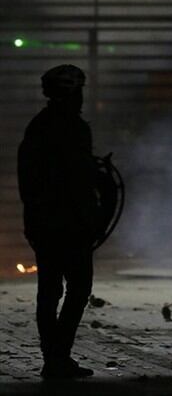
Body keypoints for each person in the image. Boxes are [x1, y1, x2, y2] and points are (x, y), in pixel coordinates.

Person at [17, 64, 99, 379]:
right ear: (71, 93)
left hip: (45, 224)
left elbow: (29, 180)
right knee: (77, 288)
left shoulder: (39, 126)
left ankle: (54, 357)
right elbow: (80, 180)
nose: (80, 97)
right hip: (70, 224)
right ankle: (57, 356)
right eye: (78, 91)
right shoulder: (73, 128)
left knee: (49, 290)